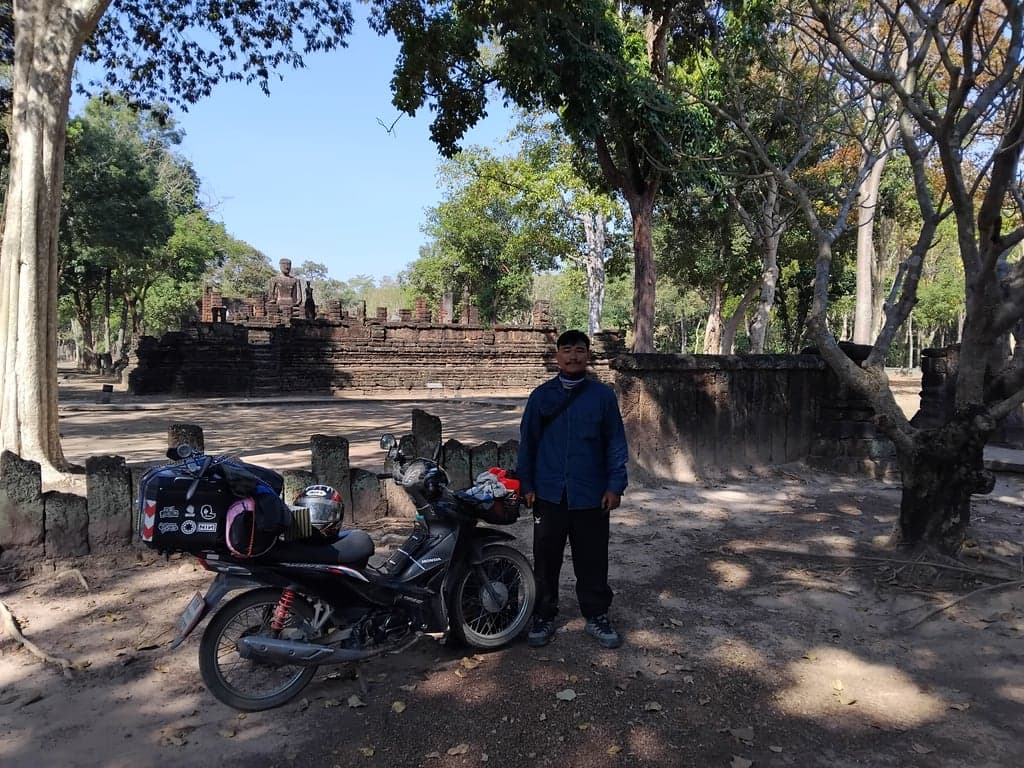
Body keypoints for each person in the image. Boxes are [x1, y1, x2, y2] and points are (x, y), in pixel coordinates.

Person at [516, 329, 629, 649]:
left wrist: (614, 485)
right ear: (557, 357)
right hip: (550, 492)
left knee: (592, 557)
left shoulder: (603, 396)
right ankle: (544, 613)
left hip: (591, 492)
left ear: (588, 355)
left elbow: (615, 444)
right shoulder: (541, 396)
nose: (573, 356)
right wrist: (527, 484)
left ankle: (596, 614)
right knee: (546, 558)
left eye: (580, 350)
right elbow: (529, 444)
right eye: (566, 350)